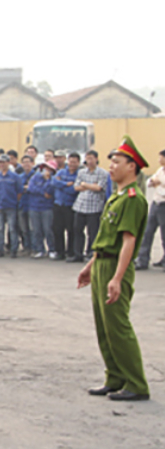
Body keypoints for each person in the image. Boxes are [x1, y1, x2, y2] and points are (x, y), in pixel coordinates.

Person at [77, 135, 150, 402]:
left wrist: (117, 278)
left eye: (117, 162)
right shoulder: (117, 196)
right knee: (103, 326)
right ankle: (115, 377)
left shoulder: (132, 198)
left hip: (115, 266)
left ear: (132, 166)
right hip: (102, 262)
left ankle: (136, 383)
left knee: (118, 326)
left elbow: (128, 241)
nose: (112, 167)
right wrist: (90, 266)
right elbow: (107, 239)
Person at [72, 150, 109, 264]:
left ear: (96, 159)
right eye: (87, 158)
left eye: (91, 158)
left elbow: (99, 188)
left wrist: (85, 185)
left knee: (92, 232)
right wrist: (90, 186)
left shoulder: (103, 173)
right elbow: (76, 187)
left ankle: (90, 253)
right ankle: (77, 254)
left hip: (94, 207)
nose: (89, 161)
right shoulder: (82, 172)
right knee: (77, 230)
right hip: (80, 205)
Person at [134, 149, 165, 270]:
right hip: (156, 203)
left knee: (164, 235)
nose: (159, 160)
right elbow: (149, 182)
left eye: (161, 157)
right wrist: (154, 181)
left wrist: (159, 182)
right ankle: (142, 259)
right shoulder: (160, 170)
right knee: (147, 232)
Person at [51, 153, 81, 261]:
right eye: (70, 161)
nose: (72, 164)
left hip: (70, 205)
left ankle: (71, 252)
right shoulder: (61, 171)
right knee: (57, 229)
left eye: (74, 162)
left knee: (71, 230)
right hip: (58, 204)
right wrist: (65, 184)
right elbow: (53, 182)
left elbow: (74, 190)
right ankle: (59, 252)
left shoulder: (79, 175)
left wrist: (62, 185)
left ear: (78, 163)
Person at [0, 154, 22, 258]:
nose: (1, 164)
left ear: (8, 163)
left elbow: (19, 192)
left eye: (4, 162)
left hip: (11, 206)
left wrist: (14, 201)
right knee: (0, 229)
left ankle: (13, 249)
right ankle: (0, 249)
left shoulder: (15, 177)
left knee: (12, 229)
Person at [28, 161, 56, 259]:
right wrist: (42, 192)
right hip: (34, 206)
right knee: (36, 230)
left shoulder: (53, 179)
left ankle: (51, 249)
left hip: (47, 207)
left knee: (48, 229)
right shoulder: (35, 177)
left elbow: (49, 191)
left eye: (49, 169)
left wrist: (47, 180)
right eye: (45, 168)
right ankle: (39, 249)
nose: (46, 170)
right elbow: (31, 188)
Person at [17, 155, 36, 254]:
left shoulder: (36, 175)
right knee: (23, 229)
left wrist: (27, 188)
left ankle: (34, 247)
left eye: (28, 162)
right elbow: (18, 189)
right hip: (21, 205)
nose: (26, 164)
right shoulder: (19, 177)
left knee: (32, 228)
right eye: (24, 162)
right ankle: (26, 247)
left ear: (33, 163)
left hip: (32, 205)